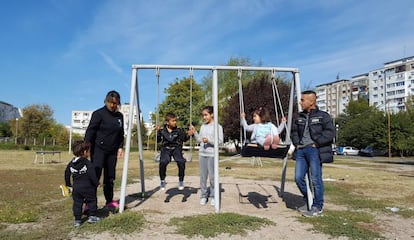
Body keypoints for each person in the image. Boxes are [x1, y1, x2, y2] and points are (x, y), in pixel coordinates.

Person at [291, 90, 335, 217]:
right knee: (298, 178)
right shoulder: (299, 116)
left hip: (315, 150)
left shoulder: (323, 116)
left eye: (303, 100)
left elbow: (330, 133)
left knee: (316, 179)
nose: (300, 102)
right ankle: (308, 199)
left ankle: (317, 206)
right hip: (301, 150)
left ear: (311, 102)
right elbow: (294, 131)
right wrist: (296, 143)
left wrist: (317, 143)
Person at [84, 90, 124, 210]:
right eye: (111, 103)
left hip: (112, 151)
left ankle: (109, 201)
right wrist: (86, 147)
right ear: (106, 101)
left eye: (116, 103)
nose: (113, 106)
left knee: (110, 177)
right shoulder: (98, 114)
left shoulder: (119, 116)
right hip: (98, 150)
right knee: (94, 175)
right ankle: (89, 204)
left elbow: (121, 133)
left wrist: (120, 147)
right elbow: (90, 131)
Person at [191, 106, 223, 206]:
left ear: (212, 114)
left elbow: (220, 142)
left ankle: (213, 196)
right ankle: (204, 196)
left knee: (213, 177)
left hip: (212, 155)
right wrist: (194, 132)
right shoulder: (203, 126)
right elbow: (199, 139)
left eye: (206, 115)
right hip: (202, 154)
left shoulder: (218, 127)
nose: (204, 117)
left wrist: (208, 140)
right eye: (203, 115)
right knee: (203, 177)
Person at [64, 140, 100, 227]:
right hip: (88, 187)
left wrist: (68, 185)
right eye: (89, 151)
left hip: (76, 188)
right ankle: (92, 216)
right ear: (85, 152)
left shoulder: (71, 163)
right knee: (92, 201)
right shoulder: (87, 163)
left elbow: (67, 173)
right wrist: (96, 183)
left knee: (77, 203)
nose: (90, 153)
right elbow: (92, 174)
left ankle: (77, 220)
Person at [157, 112, 194, 191]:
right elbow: (158, 140)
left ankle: (181, 180)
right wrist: (157, 132)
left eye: (175, 121)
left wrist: (189, 134)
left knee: (180, 161)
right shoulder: (162, 131)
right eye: (173, 121)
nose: (175, 122)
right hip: (165, 149)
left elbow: (184, 138)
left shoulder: (179, 130)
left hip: (176, 148)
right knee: (164, 161)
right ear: (168, 122)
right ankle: (162, 180)